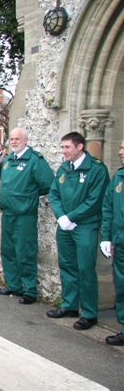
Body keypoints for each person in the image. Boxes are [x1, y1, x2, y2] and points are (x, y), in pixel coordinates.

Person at [48, 132, 110, 330]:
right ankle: (69, 305)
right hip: (65, 225)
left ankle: (89, 313)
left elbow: (95, 200)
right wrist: (61, 217)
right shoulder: (64, 168)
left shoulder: (97, 169)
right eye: (62, 147)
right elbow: (54, 193)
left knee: (85, 269)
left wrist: (72, 217)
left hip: (85, 226)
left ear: (80, 146)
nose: (63, 151)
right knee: (67, 265)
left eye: (67, 147)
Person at [0, 127, 54, 303]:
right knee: (8, 250)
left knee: (25, 251)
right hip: (8, 213)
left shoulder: (34, 160)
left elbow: (48, 184)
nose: (13, 142)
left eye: (17, 139)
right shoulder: (8, 160)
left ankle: (29, 290)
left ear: (26, 140)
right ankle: (13, 285)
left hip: (24, 215)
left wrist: (27, 197)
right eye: (11, 139)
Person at [101, 139, 124, 346]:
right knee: (122, 284)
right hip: (120, 241)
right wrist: (106, 237)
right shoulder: (118, 177)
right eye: (120, 148)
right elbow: (108, 209)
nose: (120, 152)